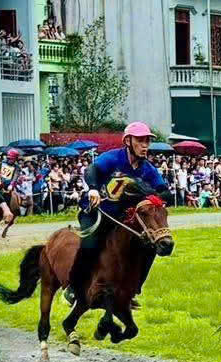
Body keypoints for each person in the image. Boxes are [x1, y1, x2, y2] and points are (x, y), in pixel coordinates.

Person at [64, 122, 169, 305]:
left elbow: (164, 191)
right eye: (140, 141)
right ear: (128, 141)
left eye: (147, 141)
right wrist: (94, 189)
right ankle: (73, 287)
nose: (145, 145)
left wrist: (149, 194)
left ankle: (132, 290)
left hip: (122, 218)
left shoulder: (148, 169)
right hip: (97, 211)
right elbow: (92, 170)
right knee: (91, 244)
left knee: (150, 245)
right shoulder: (112, 158)